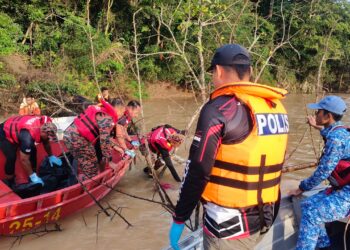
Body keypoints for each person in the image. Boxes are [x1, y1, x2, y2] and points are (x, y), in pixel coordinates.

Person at [169, 44, 289, 250]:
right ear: (249, 72)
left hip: (228, 227)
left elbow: (198, 170)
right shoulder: (275, 107)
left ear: (219, 71)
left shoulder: (219, 109)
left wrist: (180, 217)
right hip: (266, 216)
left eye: (212, 74)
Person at [289, 96, 350, 250]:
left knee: (312, 215)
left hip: (347, 194)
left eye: (318, 112)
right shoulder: (340, 131)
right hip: (341, 189)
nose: (315, 114)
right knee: (307, 204)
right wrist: (319, 128)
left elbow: (323, 172)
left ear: (327, 116)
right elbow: (330, 136)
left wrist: (302, 187)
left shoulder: (336, 139)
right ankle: (324, 245)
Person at [63, 98, 126, 180]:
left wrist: (114, 147)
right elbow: (104, 141)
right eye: (122, 113)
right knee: (92, 170)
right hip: (77, 139)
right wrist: (109, 161)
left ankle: (80, 177)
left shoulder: (101, 111)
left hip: (69, 136)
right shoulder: (107, 118)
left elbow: (103, 140)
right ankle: (86, 185)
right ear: (118, 110)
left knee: (87, 160)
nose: (121, 115)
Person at [0, 115, 61, 187]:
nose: (48, 139)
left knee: (33, 150)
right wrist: (33, 177)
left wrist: (51, 156)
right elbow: (24, 160)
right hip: (4, 131)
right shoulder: (27, 138)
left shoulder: (46, 123)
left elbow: (46, 142)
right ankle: (10, 182)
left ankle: (34, 172)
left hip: (20, 128)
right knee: (11, 157)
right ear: (42, 132)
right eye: (48, 137)